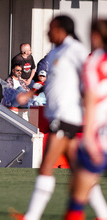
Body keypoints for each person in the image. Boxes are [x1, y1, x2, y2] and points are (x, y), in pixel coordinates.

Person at [10, 15, 102, 220]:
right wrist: (30, 94)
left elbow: (90, 77)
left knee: (45, 165)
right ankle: (103, 214)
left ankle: (31, 216)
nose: (47, 32)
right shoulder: (54, 54)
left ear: (61, 29)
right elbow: (50, 82)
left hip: (67, 115)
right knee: (80, 171)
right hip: (58, 115)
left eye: (50, 28)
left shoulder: (75, 50)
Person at [64, 19, 107, 220]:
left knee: (76, 196)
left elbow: (90, 98)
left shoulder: (94, 61)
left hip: (99, 136)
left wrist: (88, 136)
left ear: (95, 36)